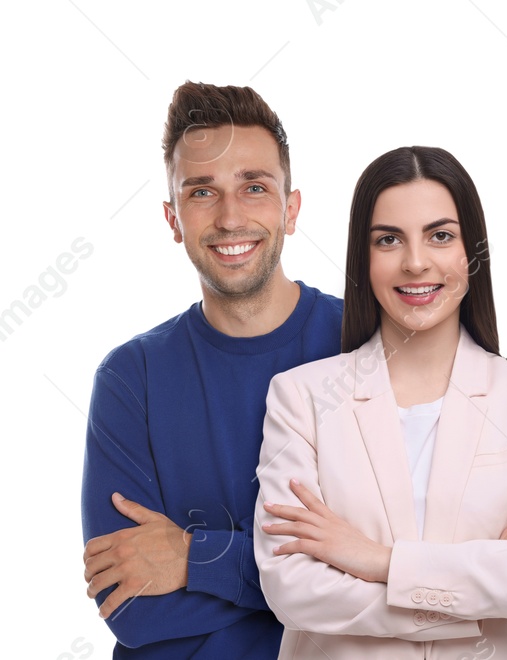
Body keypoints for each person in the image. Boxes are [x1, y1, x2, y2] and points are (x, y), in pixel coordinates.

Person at [253, 146, 507, 658]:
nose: (416, 263)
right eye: (389, 240)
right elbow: (293, 589)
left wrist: (379, 562)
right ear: (363, 258)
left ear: (470, 253)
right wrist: (489, 578)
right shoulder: (302, 398)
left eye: (440, 236)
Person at [80, 81, 341, 658]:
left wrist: (195, 559)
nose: (230, 218)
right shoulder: (131, 379)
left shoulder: (362, 347)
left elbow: (390, 564)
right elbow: (132, 609)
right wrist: (304, 572)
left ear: (290, 208)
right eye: (202, 192)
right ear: (173, 219)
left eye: (254, 187)